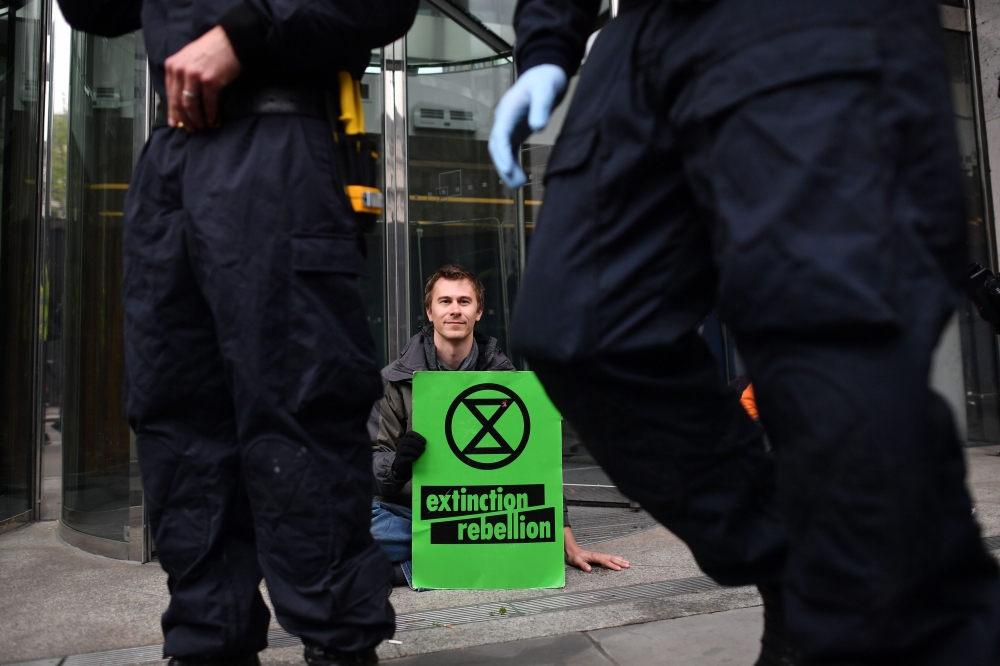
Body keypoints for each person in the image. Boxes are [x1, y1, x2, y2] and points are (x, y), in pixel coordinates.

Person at [489, 1, 1000, 665]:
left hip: (805, 22)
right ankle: (816, 570)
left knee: (835, 389)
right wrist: (548, 43)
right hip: (644, 39)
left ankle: (875, 605)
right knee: (581, 333)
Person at [56, 2, 419, 665]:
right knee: (177, 423)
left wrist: (246, 33)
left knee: (301, 418)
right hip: (172, 161)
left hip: (282, 141)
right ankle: (206, 642)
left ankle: (339, 645)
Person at [370, 265, 630, 587]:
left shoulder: (509, 381)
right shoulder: (392, 380)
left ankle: (417, 566)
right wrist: (396, 465)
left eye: (464, 302)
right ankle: (478, 548)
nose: (454, 310)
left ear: (478, 312)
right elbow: (368, 462)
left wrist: (568, 547)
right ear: (430, 310)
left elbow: (538, 467)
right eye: (445, 301)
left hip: (488, 507)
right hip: (414, 512)